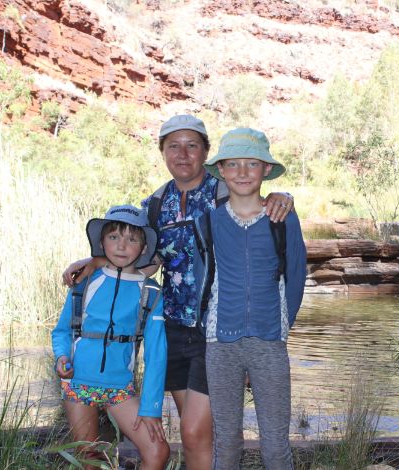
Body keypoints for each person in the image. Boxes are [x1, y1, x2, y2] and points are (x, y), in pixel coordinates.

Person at [62, 115, 295, 470]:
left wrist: (283, 196)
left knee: (195, 431)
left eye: (192, 145)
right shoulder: (154, 205)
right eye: (174, 146)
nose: (183, 154)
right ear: (163, 152)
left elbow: (256, 201)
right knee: (194, 431)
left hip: (214, 331)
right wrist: (95, 261)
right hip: (169, 328)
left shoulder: (223, 194)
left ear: (205, 152)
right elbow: (133, 252)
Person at [192, 128, 307, 469]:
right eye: (234, 164)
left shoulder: (283, 220)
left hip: (269, 342)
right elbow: (203, 281)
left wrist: (278, 330)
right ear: (222, 171)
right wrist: (210, 329)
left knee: (275, 445)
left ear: (266, 170)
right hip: (220, 344)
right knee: (226, 443)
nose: (242, 172)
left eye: (252, 164)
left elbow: (296, 279)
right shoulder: (208, 222)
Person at [52, 205, 169, 470]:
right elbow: (61, 331)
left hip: (120, 389)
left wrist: (151, 408)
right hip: (78, 383)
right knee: (89, 458)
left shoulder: (151, 292)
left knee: (157, 451)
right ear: (102, 242)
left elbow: (156, 355)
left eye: (131, 239)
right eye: (114, 237)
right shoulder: (84, 282)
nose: (121, 245)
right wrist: (61, 356)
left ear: (142, 248)